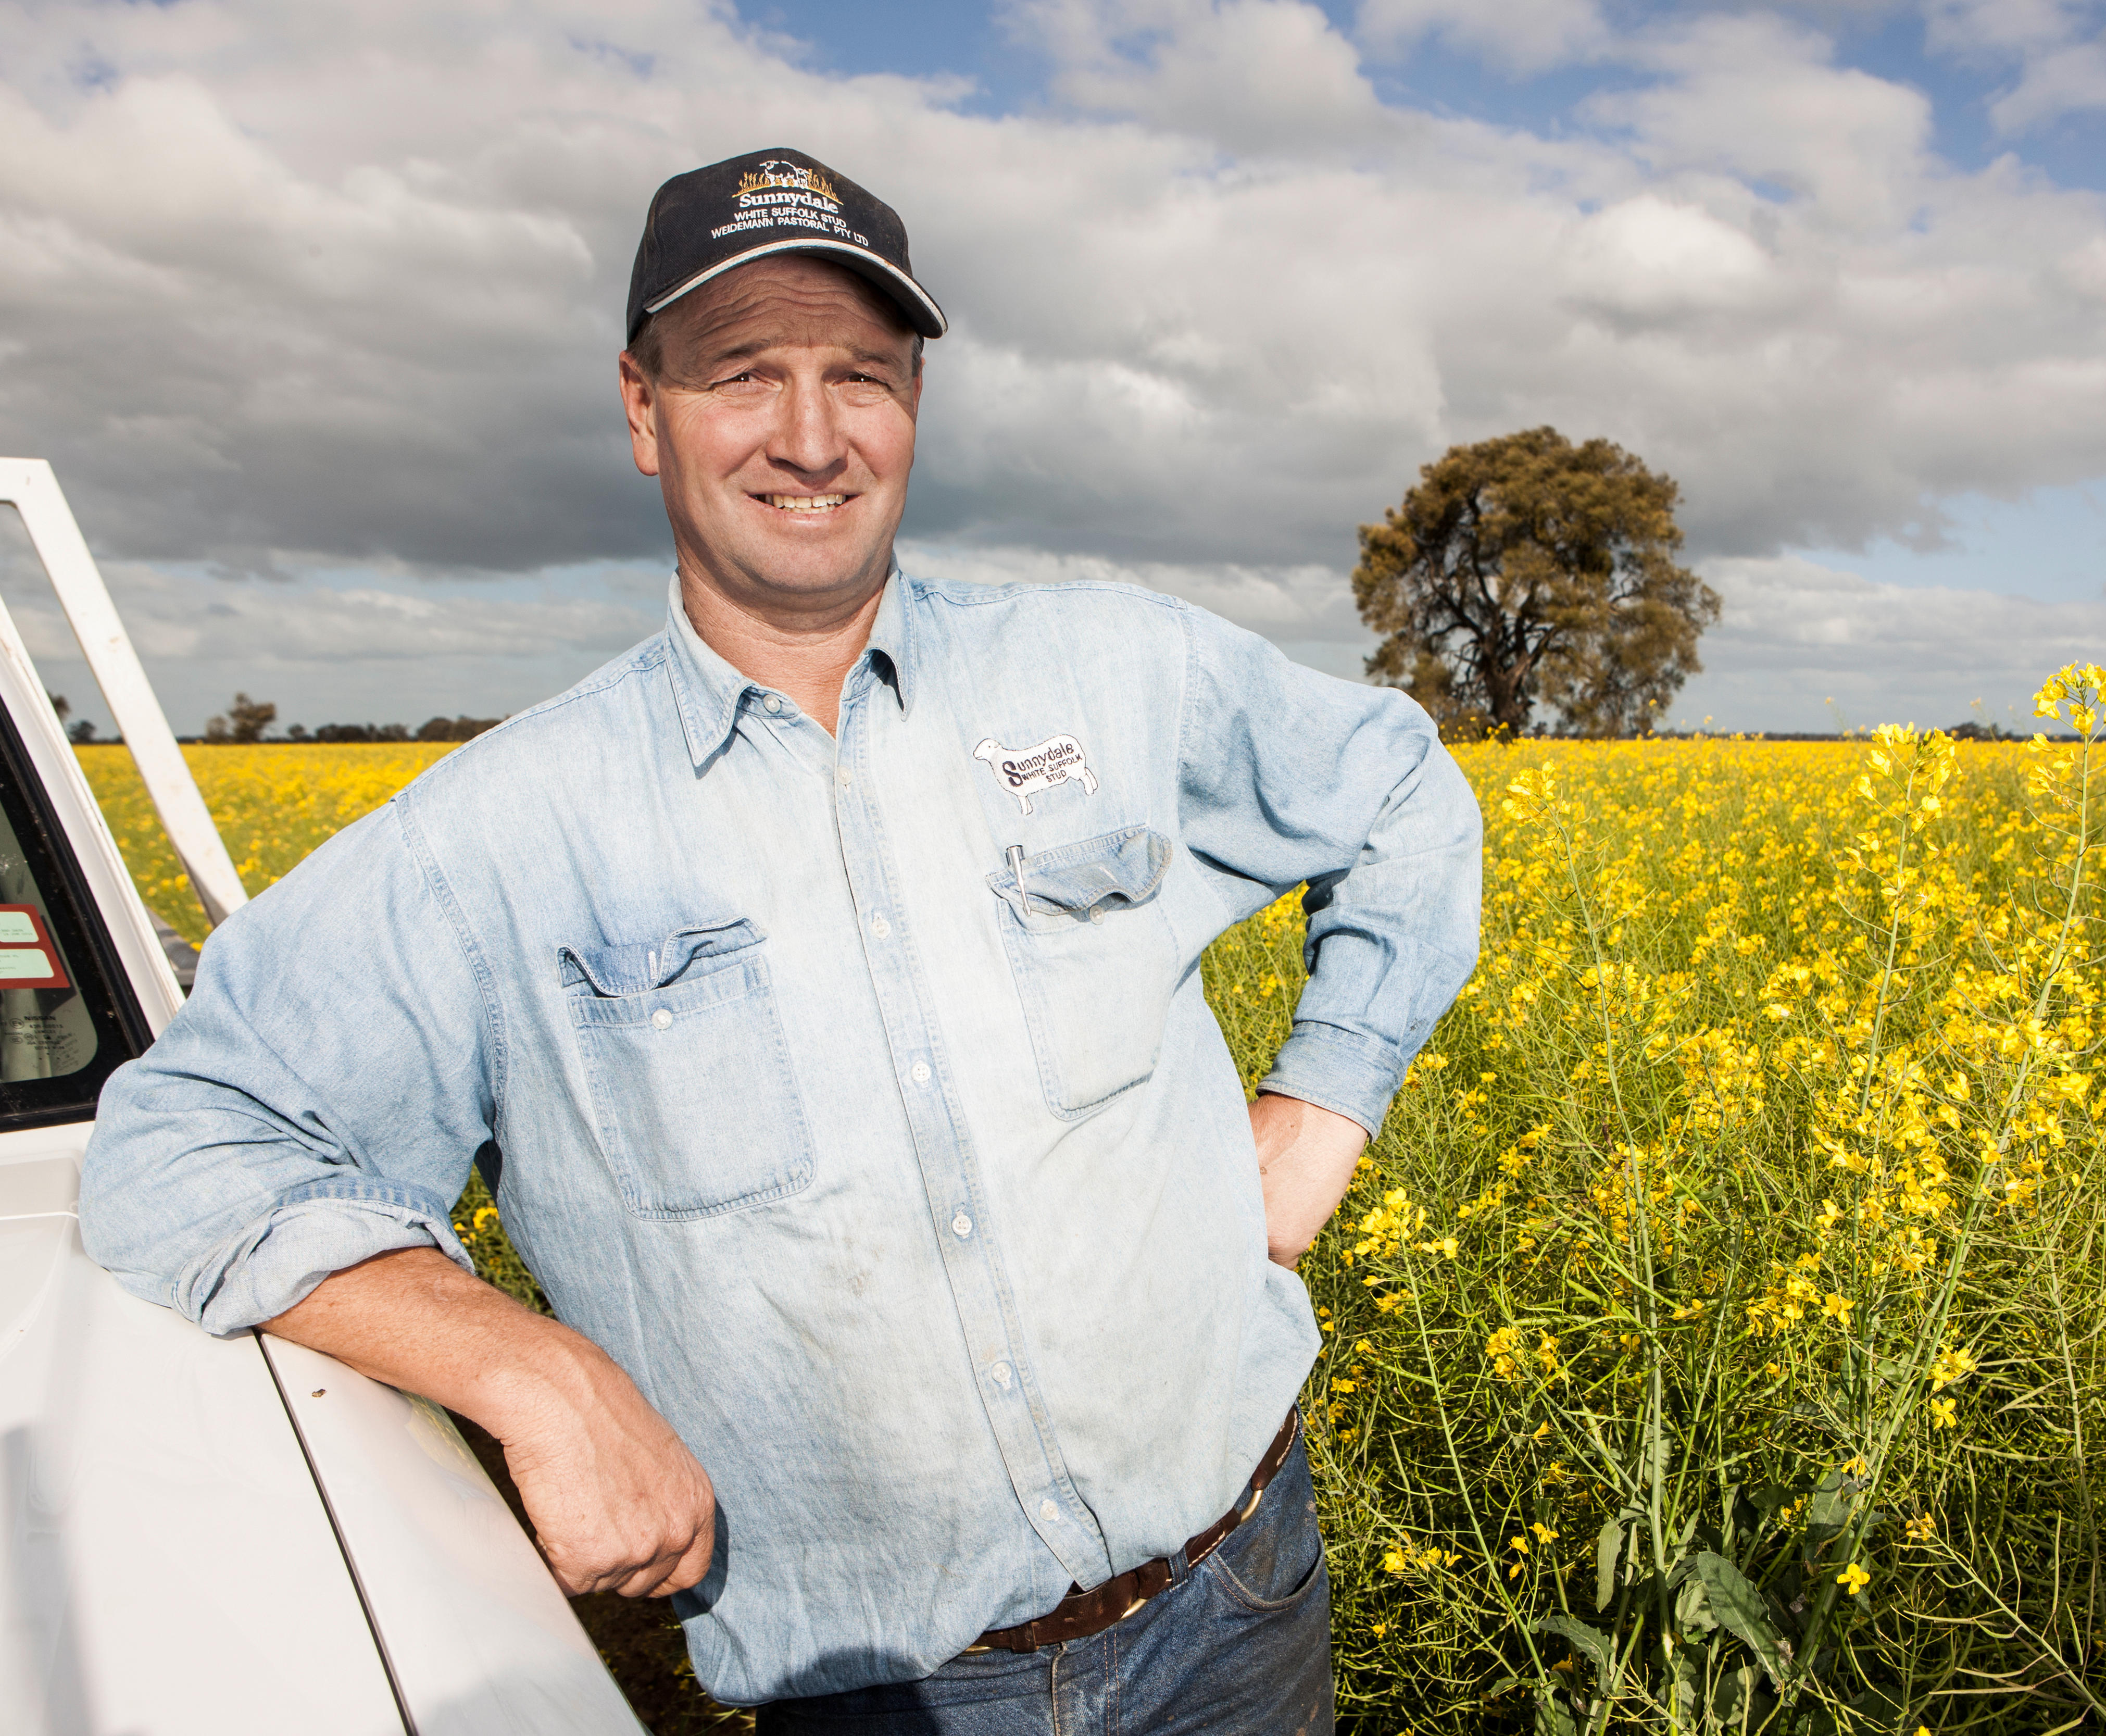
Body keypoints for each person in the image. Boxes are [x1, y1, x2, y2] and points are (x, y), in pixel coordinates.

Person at [79, 147, 1482, 1730]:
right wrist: (529, 1372)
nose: (811, 438)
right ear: (641, 409)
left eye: (860, 377)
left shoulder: (1120, 671)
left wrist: (1326, 1100)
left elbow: (1404, 794)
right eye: (744, 374)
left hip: (1238, 1599)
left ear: (913, 408)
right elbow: (186, 1148)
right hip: (885, 1696)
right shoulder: (498, 840)